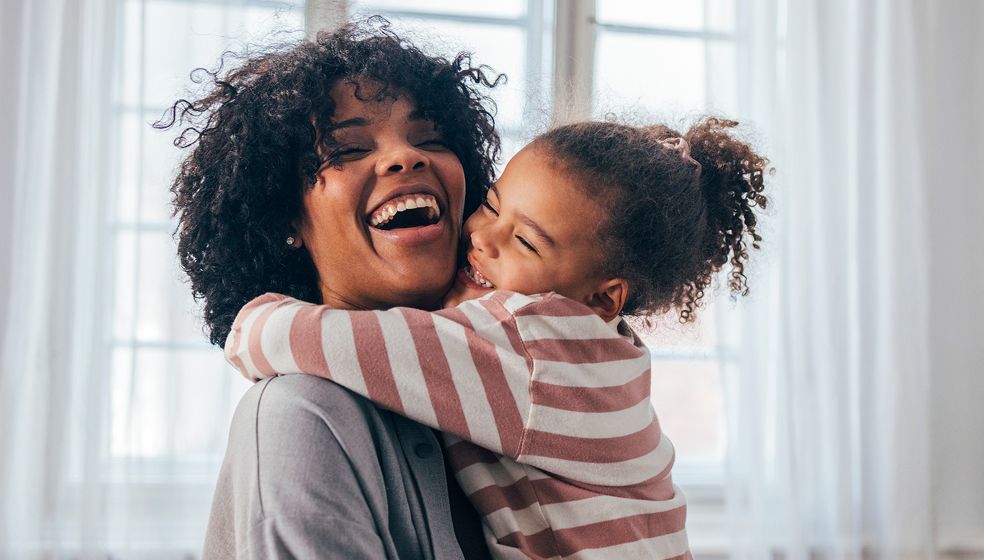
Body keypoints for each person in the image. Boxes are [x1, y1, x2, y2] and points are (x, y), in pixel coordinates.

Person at [225, 118, 770, 558]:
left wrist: (253, 321)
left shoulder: (533, 346)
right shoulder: (595, 351)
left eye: (526, 244)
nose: (481, 236)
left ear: (604, 298)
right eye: (490, 204)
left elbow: (334, 341)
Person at [156, 19, 502, 559]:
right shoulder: (299, 415)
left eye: (430, 138)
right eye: (345, 150)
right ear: (284, 218)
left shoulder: (506, 382)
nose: (405, 157)